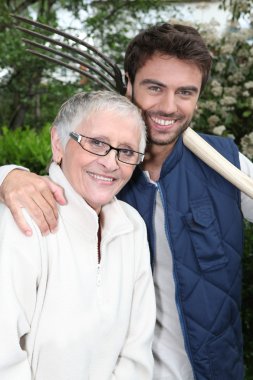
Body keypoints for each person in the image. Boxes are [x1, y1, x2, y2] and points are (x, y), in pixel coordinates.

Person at [0, 22, 253, 380]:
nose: (169, 106)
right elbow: (48, 196)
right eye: (154, 87)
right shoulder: (99, 179)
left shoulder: (226, 163)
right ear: (128, 84)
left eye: (186, 92)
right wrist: (7, 175)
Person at [0, 90, 156, 379]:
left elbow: (137, 350)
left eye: (126, 151)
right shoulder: (21, 218)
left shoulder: (132, 226)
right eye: (97, 143)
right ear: (58, 143)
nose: (111, 163)